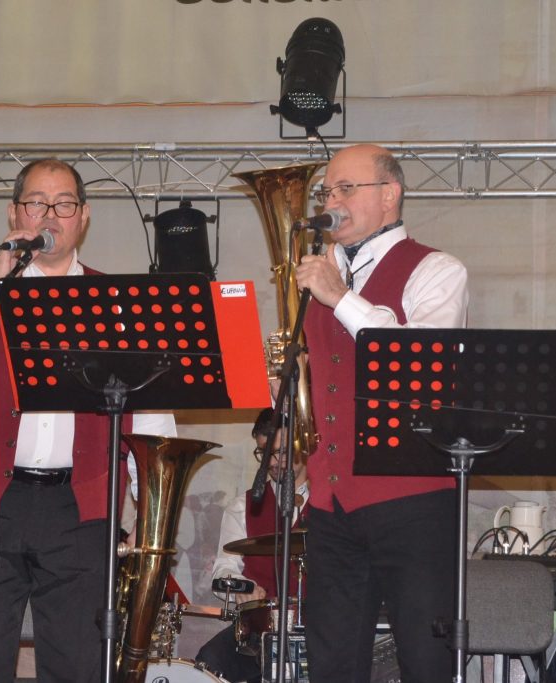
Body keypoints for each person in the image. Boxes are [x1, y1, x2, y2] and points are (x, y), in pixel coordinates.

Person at [0, 158, 177, 682]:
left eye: (64, 204)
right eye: (36, 202)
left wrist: (149, 506)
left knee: (78, 664)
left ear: (84, 216)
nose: (50, 215)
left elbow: (150, 410)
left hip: (81, 506)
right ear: (14, 214)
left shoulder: (114, 298)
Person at [292, 143, 469, 682]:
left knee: (426, 662)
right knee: (331, 665)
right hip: (332, 502)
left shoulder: (438, 270)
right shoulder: (321, 274)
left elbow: (421, 365)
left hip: (414, 502)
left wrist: (340, 298)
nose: (332, 202)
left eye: (346, 189)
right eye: (327, 192)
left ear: (390, 195)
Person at [196, 408, 308, 683]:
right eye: (265, 453)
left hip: (318, 626)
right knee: (210, 660)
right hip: (259, 631)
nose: (273, 462)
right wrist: (244, 588)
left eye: (282, 452)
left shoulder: (331, 507)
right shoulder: (241, 507)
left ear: (303, 446)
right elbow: (224, 569)